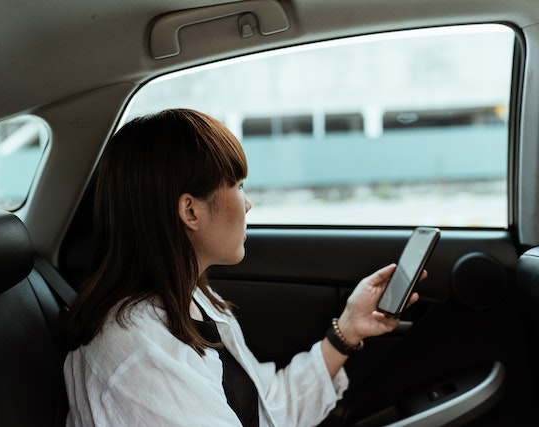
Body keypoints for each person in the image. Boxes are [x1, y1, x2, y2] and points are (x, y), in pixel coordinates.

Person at [63, 108, 421, 427]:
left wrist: (347, 330)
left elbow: (267, 410)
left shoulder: (193, 300)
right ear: (191, 211)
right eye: (237, 185)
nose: (247, 204)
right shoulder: (139, 354)